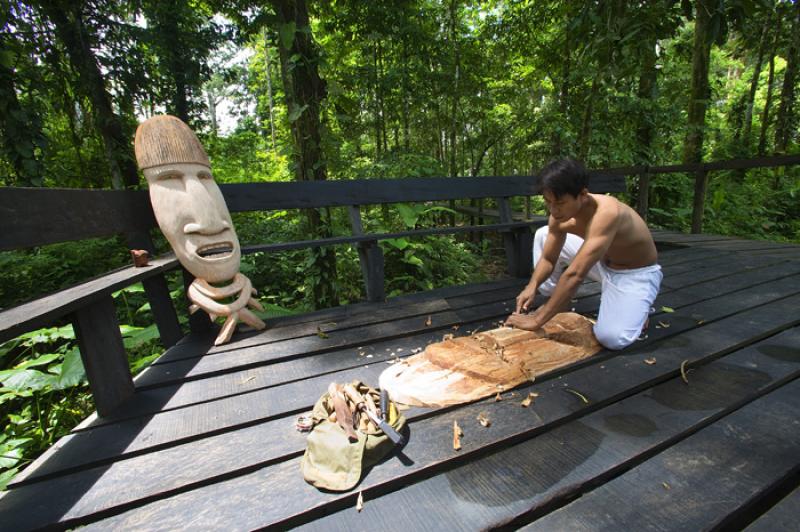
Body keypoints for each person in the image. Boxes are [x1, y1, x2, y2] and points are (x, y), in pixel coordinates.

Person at [506, 158, 662, 350]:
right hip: (601, 262)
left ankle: (638, 308)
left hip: (633, 273)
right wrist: (532, 286)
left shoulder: (607, 213)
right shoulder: (558, 214)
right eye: (548, 202)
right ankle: (557, 301)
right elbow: (548, 258)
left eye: (560, 203)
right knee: (543, 234)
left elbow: (575, 274)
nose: (553, 210)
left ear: (583, 195)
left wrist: (537, 320)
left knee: (612, 338)